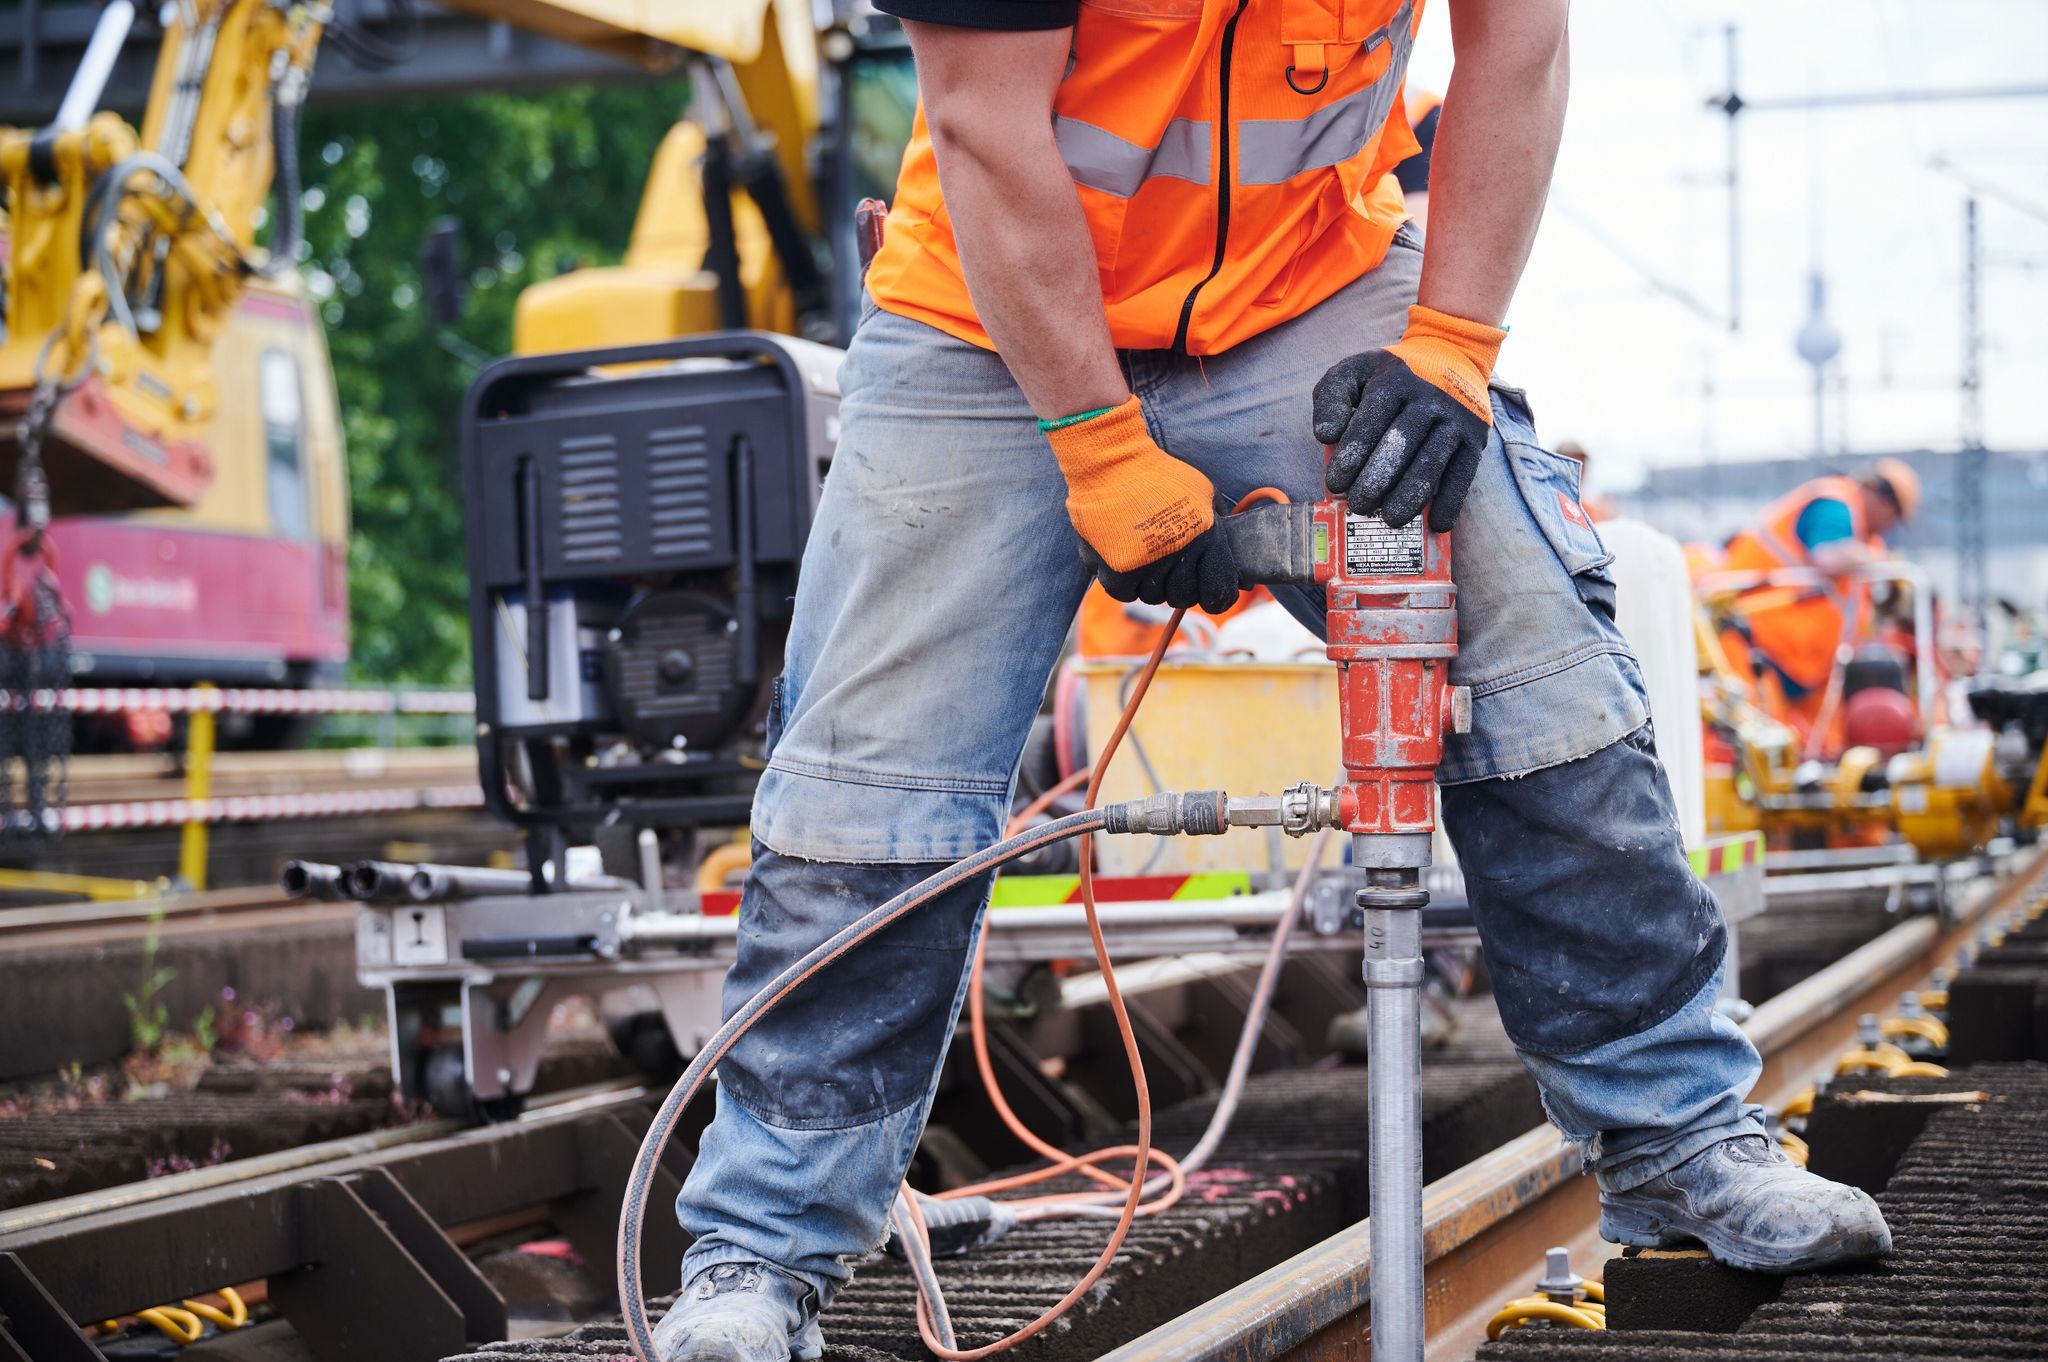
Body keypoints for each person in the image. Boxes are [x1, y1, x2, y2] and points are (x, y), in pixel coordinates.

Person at [656, 3, 1892, 1358]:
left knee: (1536, 667)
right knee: (865, 790)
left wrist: (1451, 347)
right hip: (985, 312)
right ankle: (762, 1247)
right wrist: (1101, 447)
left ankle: (1680, 1140)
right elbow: (984, 125)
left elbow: (1519, 48)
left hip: (1308, 284)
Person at [1720, 459, 1922, 733]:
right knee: (1762, 741)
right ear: (1885, 503)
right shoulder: (1835, 503)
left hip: (1799, 664)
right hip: (1757, 645)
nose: (1890, 526)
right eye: (1895, 518)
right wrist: (1881, 562)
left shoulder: (1865, 539)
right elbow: (1828, 556)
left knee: (1799, 744)